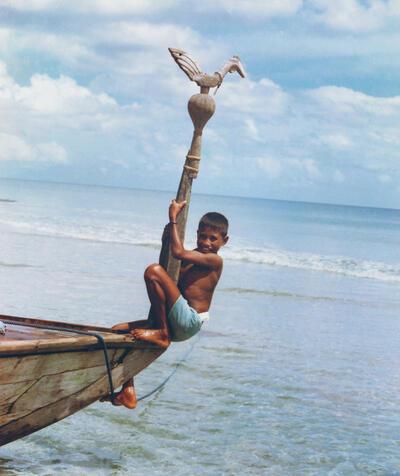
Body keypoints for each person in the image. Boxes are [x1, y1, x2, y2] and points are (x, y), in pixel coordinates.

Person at [106, 199, 229, 408]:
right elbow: (171, 271)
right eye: (202, 236)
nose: (206, 242)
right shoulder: (194, 258)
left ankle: (161, 333)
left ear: (224, 241)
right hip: (176, 321)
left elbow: (177, 253)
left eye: (213, 239)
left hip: (188, 320)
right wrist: (166, 241)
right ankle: (128, 389)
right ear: (196, 234)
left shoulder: (215, 261)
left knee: (153, 271)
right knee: (118, 331)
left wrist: (173, 219)